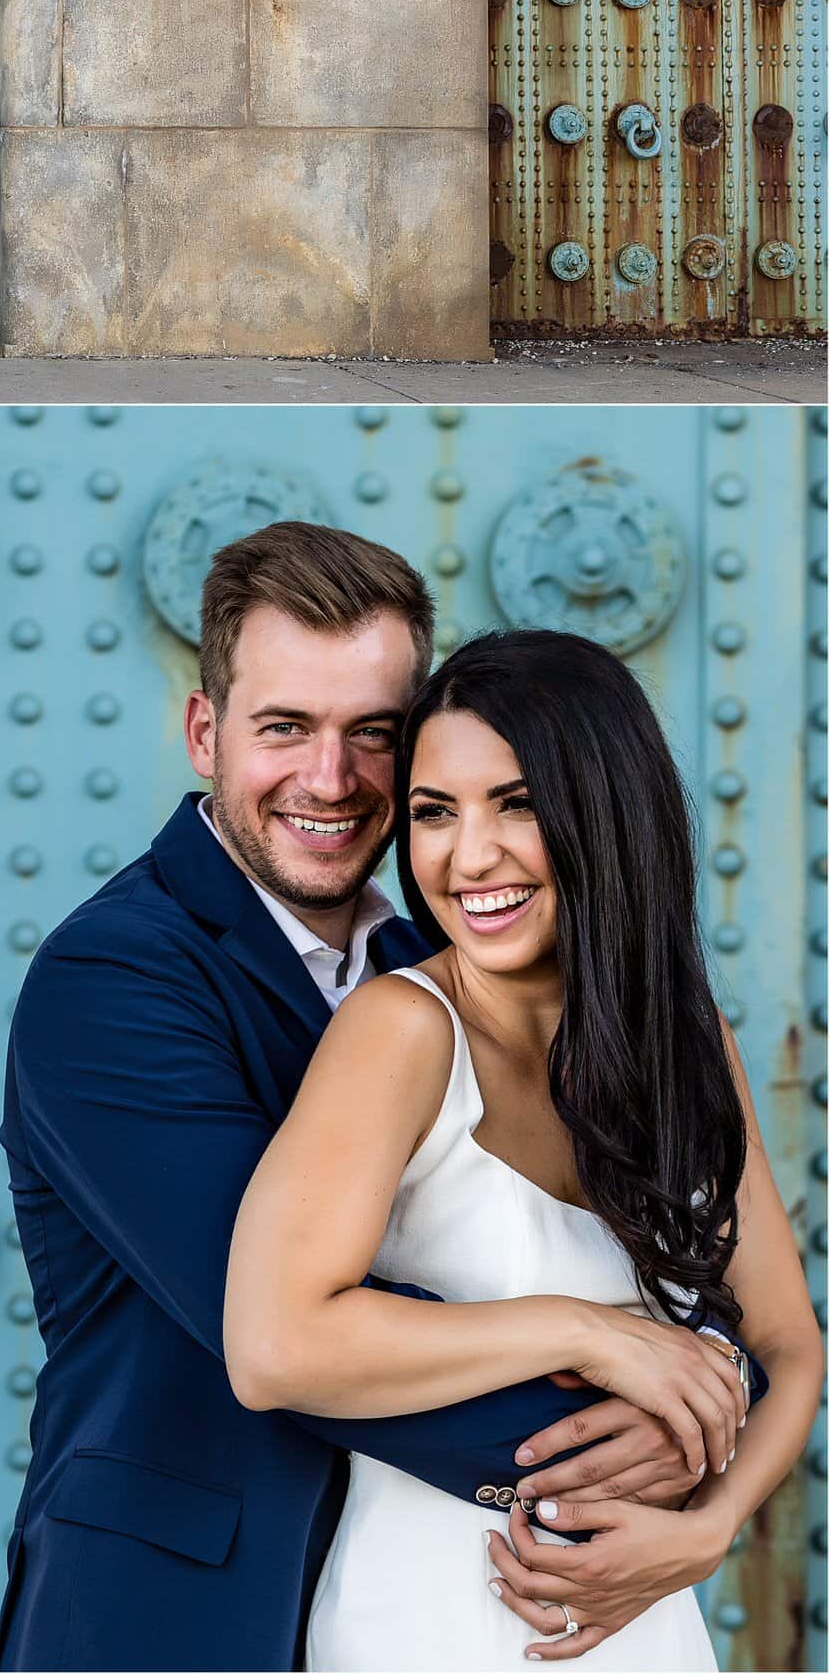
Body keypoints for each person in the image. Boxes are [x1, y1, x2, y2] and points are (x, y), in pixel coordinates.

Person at [0, 523, 769, 1674]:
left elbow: (700, 1276)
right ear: (204, 733)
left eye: (374, 735)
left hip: (443, 1598)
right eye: (284, 728)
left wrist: (709, 1398)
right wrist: (656, 1436)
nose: (331, 778)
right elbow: (277, 1330)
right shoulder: (112, 977)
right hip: (174, 1614)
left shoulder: (456, 967)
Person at [226, 627, 821, 1668]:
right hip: (424, 1622)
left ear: (604, 809)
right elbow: (274, 1346)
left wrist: (710, 1527)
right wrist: (584, 1333)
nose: (468, 858)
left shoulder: (685, 1044)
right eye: (433, 812)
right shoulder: (402, 1031)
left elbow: (787, 1343)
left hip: (641, 1623)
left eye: (517, 804)